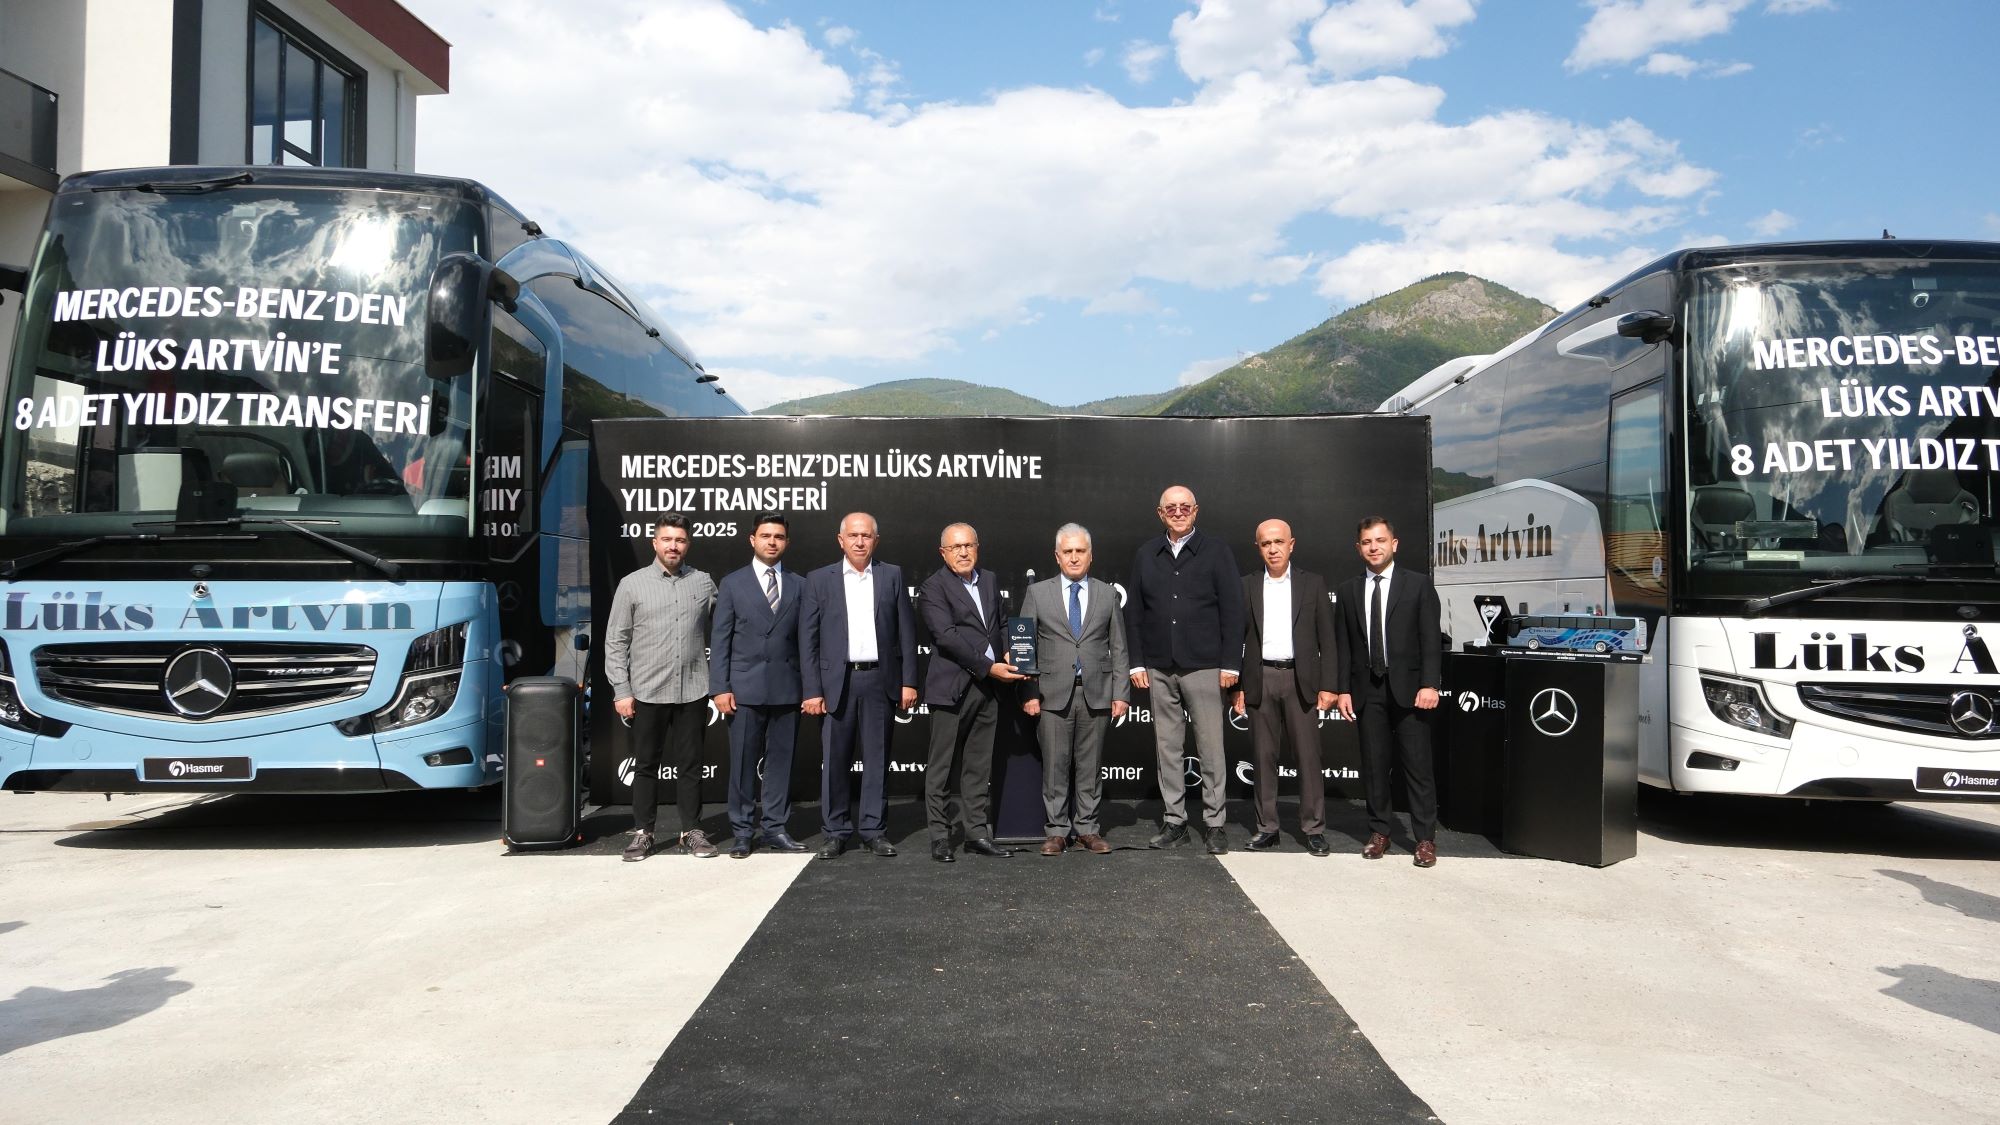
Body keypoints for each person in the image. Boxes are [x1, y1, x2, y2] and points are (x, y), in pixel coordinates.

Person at [1124, 484, 1245, 854]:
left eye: (1184, 507)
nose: (1178, 512)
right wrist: (1137, 662)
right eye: (1171, 508)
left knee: (1211, 749)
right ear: (1160, 513)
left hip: (1205, 666)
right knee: (1168, 749)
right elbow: (1135, 613)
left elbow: (1233, 611)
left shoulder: (1217, 551)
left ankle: (1214, 823)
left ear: (1196, 510)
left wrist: (1230, 664)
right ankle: (1175, 821)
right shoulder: (1147, 554)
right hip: (1159, 667)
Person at [800, 512, 918, 860]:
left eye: (866, 536)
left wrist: (909, 681)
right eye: (853, 535)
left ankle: (873, 831)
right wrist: (812, 689)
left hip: (880, 680)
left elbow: (906, 632)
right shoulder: (818, 579)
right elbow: (808, 640)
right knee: (835, 761)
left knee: (877, 760)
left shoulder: (892, 575)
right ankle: (835, 832)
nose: (860, 541)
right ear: (841, 540)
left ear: (875, 541)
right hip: (836, 682)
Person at [607, 515, 719, 861]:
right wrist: (621, 690)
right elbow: (616, 641)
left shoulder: (703, 583)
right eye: (667, 540)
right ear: (655, 543)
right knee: (645, 766)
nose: (673, 546)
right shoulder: (632, 584)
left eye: (680, 540)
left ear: (688, 545)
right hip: (647, 691)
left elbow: (726, 628)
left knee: (691, 765)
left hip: (693, 689)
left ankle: (692, 831)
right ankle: (643, 833)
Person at [917, 523, 1029, 862]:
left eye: (968, 545)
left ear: (977, 548)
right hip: (952, 688)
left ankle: (976, 833)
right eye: (955, 547)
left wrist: (1009, 650)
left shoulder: (990, 580)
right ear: (943, 553)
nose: (963, 552)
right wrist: (988, 666)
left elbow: (1000, 624)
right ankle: (940, 837)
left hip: (988, 691)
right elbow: (946, 637)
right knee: (941, 767)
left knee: (978, 766)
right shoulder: (933, 587)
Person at [1334, 517, 1443, 868]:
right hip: (1368, 691)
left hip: (1411, 692)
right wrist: (1342, 690)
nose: (1374, 547)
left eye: (1380, 540)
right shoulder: (1348, 591)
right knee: (1374, 766)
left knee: (1418, 767)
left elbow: (1430, 639)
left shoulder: (1418, 585)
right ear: (1358, 548)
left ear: (1394, 544)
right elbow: (1344, 646)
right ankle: (1379, 832)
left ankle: (1424, 839)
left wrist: (1430, 683)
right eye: (1367, 542)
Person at [1231, 519, 1339, 856]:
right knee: (1263, 758)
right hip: (1260, 678)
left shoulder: (1313, 583)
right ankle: (1267, 828)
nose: (1273, 549)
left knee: (1308, 757)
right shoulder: (1246, 585)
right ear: (1258, 548)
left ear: (1291, 544)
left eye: (1279, 542)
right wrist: (1237, 686)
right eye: (1266, 543)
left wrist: (1329, 685)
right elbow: (1235, 639)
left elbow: (1328, 639)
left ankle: (1314, 829)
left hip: (1300, 680)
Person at [1021, 523, 1129, 856]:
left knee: (1090, 766)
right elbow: (1025, 648)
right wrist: (1028, 693)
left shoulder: (1107, 594)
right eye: (1067, 551)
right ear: (1057, 556)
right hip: (1051, 693)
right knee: (1055, 766)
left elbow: (1119, 647)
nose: (1073, 557)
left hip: (1097, 691)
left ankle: (1087, 829)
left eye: (1080, 551)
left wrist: (1121, 693)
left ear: (1090, 555)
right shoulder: (1038, 593)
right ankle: (1056, 831)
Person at [709, 513, 808, 859]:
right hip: (744, 690)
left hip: (787, 688)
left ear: (787, 543)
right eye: (766, 535)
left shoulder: (800, 585)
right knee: (742, 763)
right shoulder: (732, 583)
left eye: (778, 536)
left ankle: (775, 828)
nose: (772, 542)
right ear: (753, 540)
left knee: (780, 764)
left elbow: (807, 642)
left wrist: (810, 688)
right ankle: (741, 832)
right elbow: (720, 640)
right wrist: (720, 687)